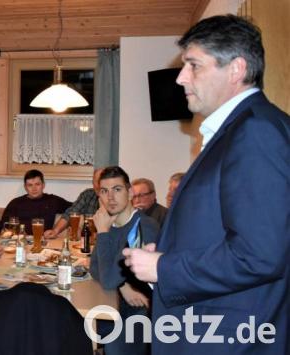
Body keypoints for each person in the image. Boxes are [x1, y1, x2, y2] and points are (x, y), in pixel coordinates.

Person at [123, 15, 289, 354]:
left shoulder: (256, 132)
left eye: (194, 65)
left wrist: (164, 267)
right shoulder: (242, 129)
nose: (181, 77)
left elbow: (259, 255)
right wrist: (168, 254)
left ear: (236, 69)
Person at [90, 166, 160, 355]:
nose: (110, 197)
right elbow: (95, 267)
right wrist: (122, 285)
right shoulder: (110, 224)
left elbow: (108, 279)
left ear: (129, 193)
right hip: (115, 303)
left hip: (144, 312)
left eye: (117, 189)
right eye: (104, 191)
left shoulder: (143, 226)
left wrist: (102, 233)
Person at [0, 169, 71, 234]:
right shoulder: (15, 203)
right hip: (20, 240)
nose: (34, 188)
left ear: (43, 185)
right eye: (30, 185)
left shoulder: (53, 200)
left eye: (37, 184)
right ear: (25, 187)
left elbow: (74, 208)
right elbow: (3, 227)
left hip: (43, 240)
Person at [44, 168, 102, 239]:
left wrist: (96, 235)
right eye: (96, 181)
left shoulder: (112, 199)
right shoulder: (88, 195)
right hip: (87, 241)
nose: (99, 185)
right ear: (93, 182)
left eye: (101, 181)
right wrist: (55, 231)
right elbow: (70, 213)